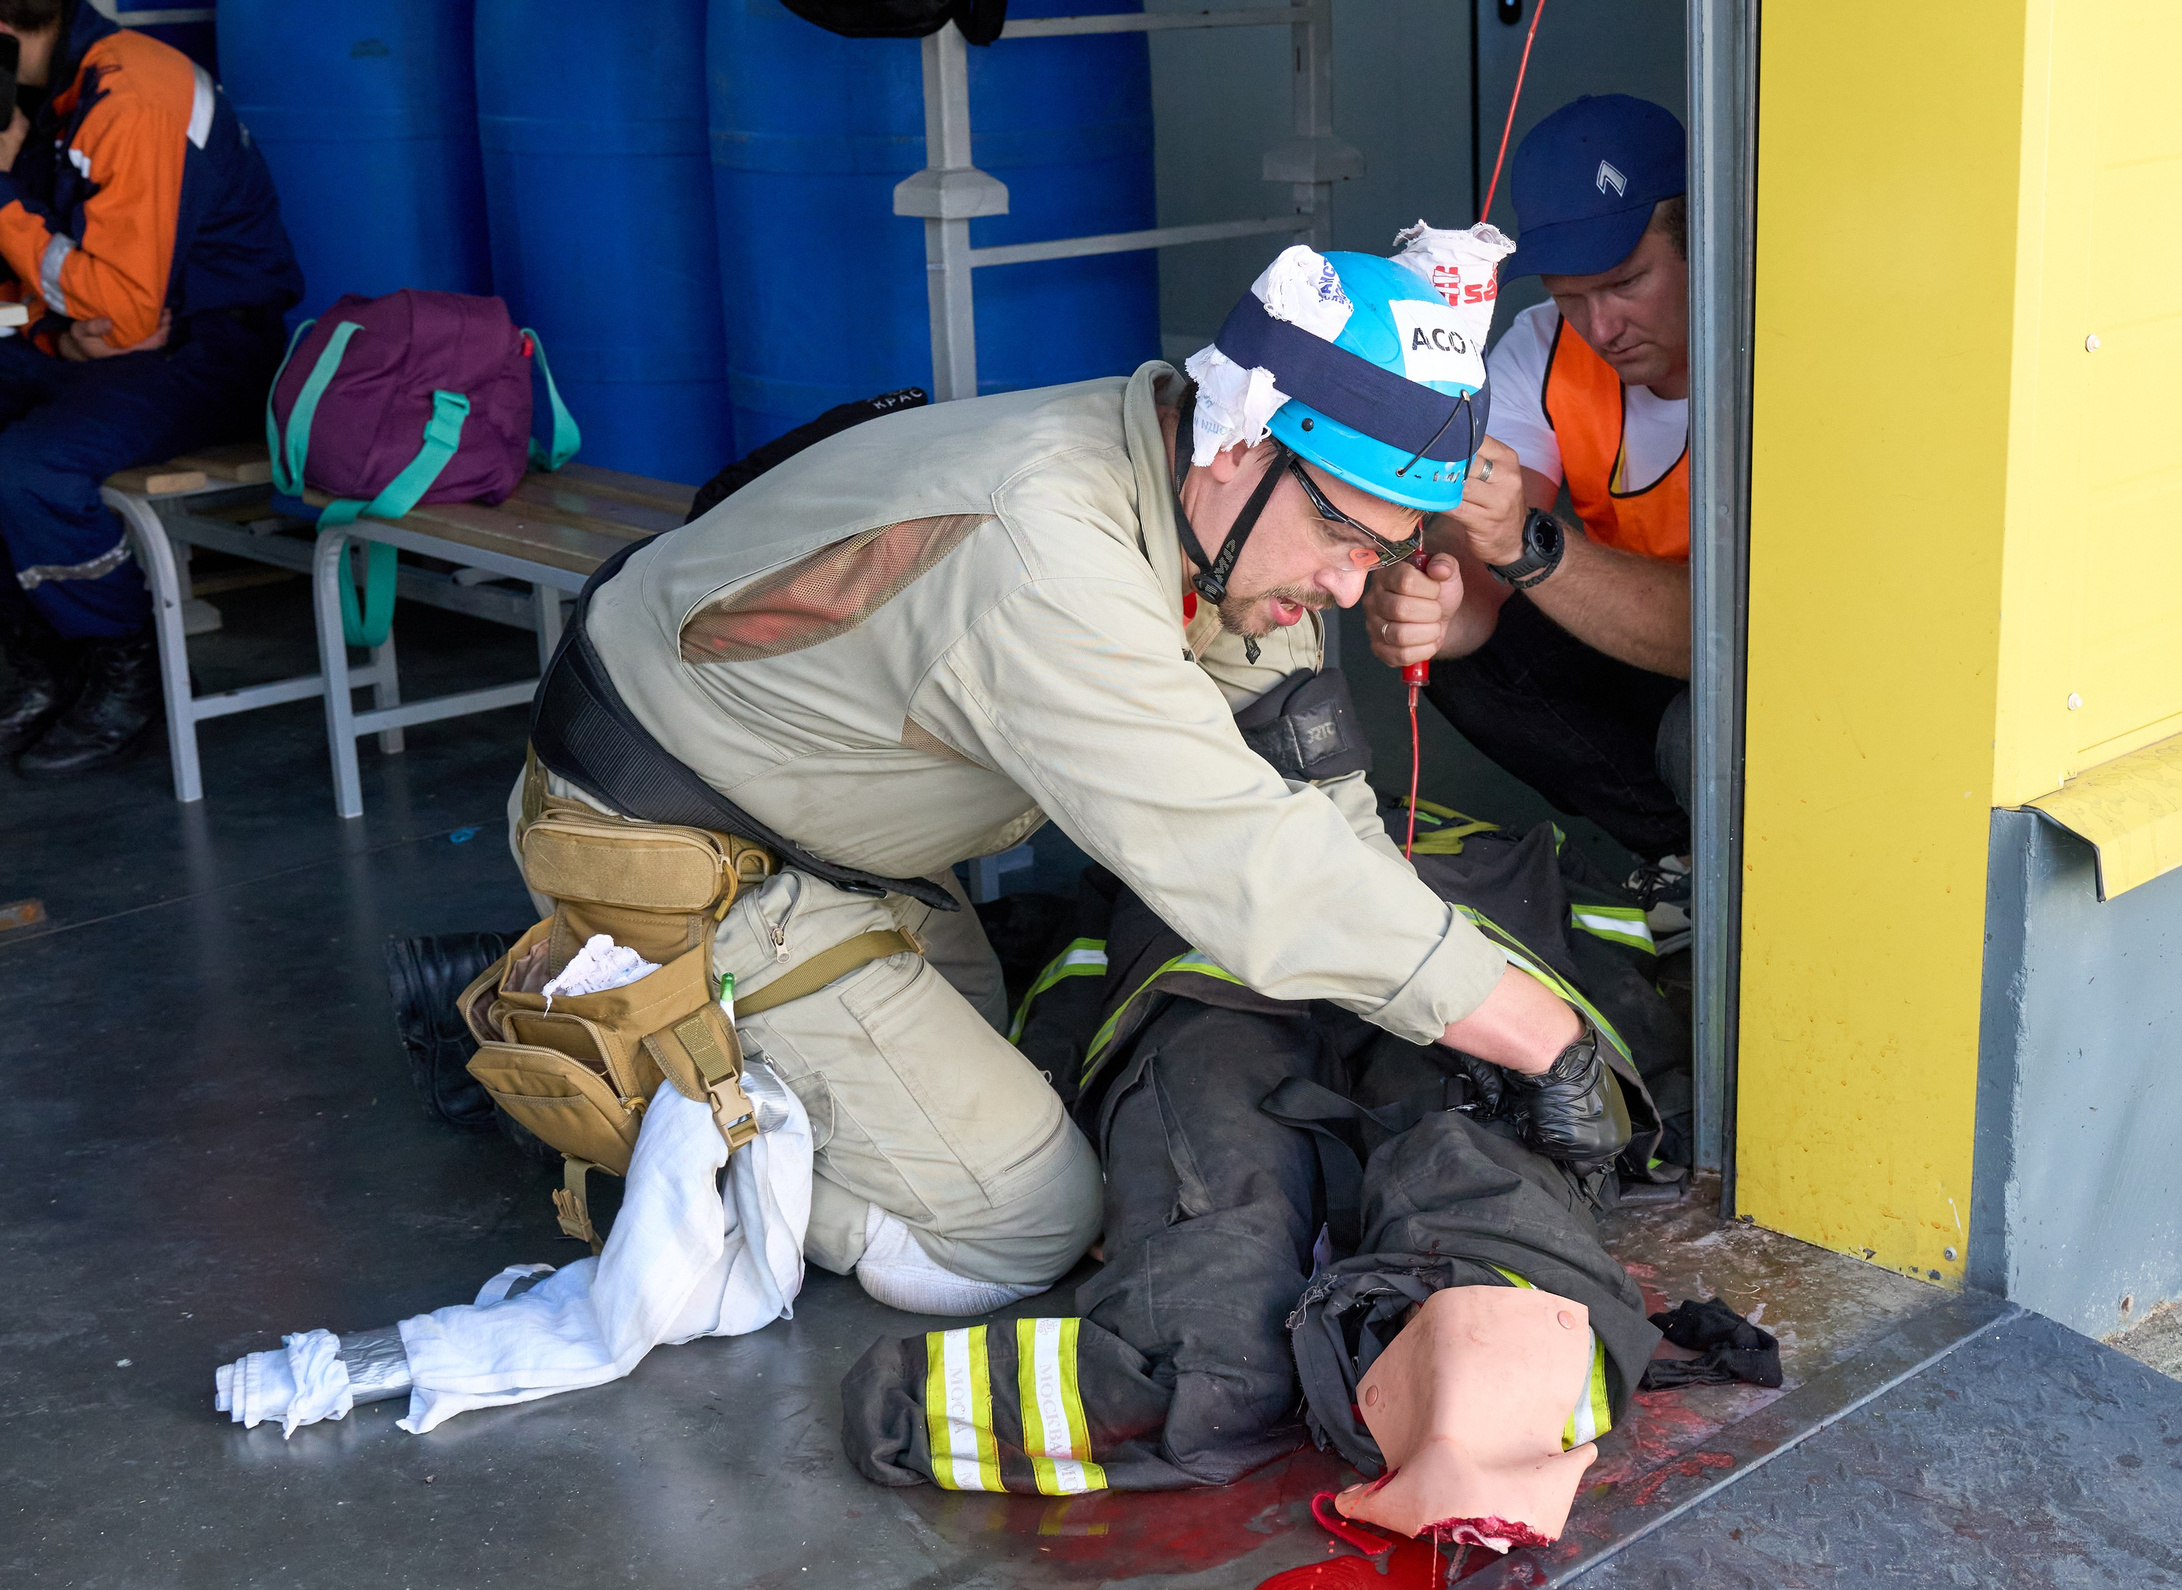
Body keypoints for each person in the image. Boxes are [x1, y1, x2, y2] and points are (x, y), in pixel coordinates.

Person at [516, 237, 1628, 1318]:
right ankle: (614, 1034)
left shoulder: (1187, 482)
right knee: (1025, 1222)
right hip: (679, 850)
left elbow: (1304, 775)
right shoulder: (1049, 560)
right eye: (1344, 533)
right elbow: (1243, 860)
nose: (1351, 586)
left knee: (990, 1050)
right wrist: (1544, 1036)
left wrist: (1437, 985)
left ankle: (665, 1020)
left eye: (1386, 551)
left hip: (828, 835)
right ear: (1241, 443)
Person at [1363, 96, 1695, 928]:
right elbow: (1477, 574)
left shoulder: (1776, 349)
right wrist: (1434, 604)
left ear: (1708, 242)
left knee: (1705, 730)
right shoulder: (1545, 347)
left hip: (1754, 682)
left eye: (1626, 283)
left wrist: (1527, 547)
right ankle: (1684, 861)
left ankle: (1744, 859)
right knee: (1465, 652)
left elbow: (1727, 645)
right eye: (1571, 294)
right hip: (1648, 648)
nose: (1602, 326)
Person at [0, 0, 299, 776]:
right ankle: (42, 662)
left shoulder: (131, 91)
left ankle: (126, 665)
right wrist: (55, 334)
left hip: (213, 352)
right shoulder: (61, 98)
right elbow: (71, 292)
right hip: (118, 351)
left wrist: (0, 199)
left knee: (31, 469)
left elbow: (124, 308)